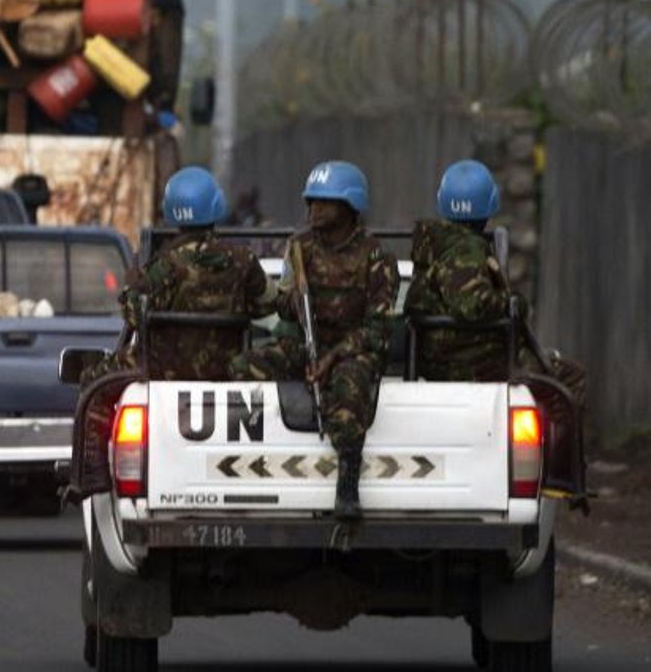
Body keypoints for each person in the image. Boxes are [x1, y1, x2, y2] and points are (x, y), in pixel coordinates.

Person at [230, 161, 399, 521]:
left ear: (349, 206)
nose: (313, 210)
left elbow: (378, 329)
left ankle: (347, 486)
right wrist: (281, 298)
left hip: (354, 350)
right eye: (311, 202)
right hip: (308, 343)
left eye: (323, 202)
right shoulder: (300, 248)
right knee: (243, 368)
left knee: (350, 387)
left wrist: (333, 357)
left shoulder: (376, 258)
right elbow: (288, 308)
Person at [405, 159, 586, 403]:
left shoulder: (433, 246)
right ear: (490, 204)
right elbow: (471, 305)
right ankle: (551, 442)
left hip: (441, 357)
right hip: (472, 360)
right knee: (572, 376)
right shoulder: (466, 249)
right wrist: (512, 303)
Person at [82, 166, 277, 385]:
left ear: (169, 210)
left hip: (165, 372)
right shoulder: (243, 261)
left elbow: (134, 317)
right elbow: (270, 303)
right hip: (228, 372)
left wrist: (133, 289)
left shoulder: (163, 266)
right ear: (216, 206)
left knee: (92, 381)